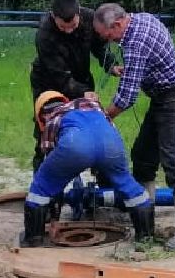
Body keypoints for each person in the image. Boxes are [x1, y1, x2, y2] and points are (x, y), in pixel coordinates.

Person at [93, 3, 175, 251]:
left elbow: (128, 96)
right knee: (142, 156)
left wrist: (104, 116)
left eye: (108, 35)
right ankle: (144, 216)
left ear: (118, 24)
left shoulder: (135, 43)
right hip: (162, 98)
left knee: (173, 162)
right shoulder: (142, 19)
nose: (109, 41)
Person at [22, 91, 154, 247]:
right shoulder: (90, 106)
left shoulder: (52, 117)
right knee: (128, 186)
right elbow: (108, 125)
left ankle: (34, 239)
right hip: (111, 143)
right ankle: (145, 238)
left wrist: (54, 211)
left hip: (76, 145)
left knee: (42, 186)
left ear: (40, 115)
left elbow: (51, 158)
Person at [28, 0, 118, 170]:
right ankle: (42, 176)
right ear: (53, 17)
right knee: (47, 126)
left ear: (79, 13)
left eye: (73, 25)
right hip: (49, 83)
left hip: (81, 75)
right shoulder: (44, 35)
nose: (69, 30)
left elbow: (100, 45)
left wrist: (110, 65)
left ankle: (101, 176)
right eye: (63, 27)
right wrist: (83, 92)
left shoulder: (91, 18)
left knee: (92, 121)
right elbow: (59, 76)